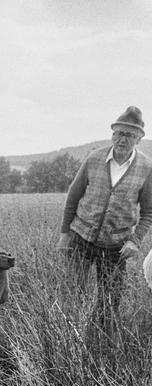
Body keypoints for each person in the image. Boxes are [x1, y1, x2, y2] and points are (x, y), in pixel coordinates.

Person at [59, 106, 152, 334]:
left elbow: (149, 212)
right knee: (72, 294)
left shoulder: (147, 168)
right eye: (118, 133)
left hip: (116, 247)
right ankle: (67, 338)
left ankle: (99, 344)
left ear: (139, 138)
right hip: (80, 238)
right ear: (112, 134)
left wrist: (135, 241)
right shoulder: (94, 158)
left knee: (109, 303)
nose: (122, 139)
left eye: (129, 135)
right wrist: (64, 235)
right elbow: (73, 196)